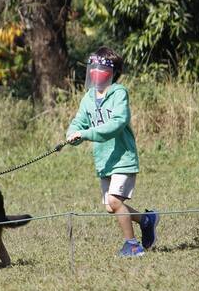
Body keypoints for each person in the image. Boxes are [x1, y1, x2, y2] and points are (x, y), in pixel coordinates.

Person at [65, 47, 159, 257]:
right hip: (104, 161)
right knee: (111, 206)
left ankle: (132, 245)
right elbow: (79, 121)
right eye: (93, 68)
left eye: (101, 69)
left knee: (115, 202)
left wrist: (87, 133)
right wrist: (72, 134)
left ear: (113, 72)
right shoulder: (88, 98)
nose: (95, 72)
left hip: (123, 158)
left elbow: (117, 123)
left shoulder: (119, 93)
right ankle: (147, 220)